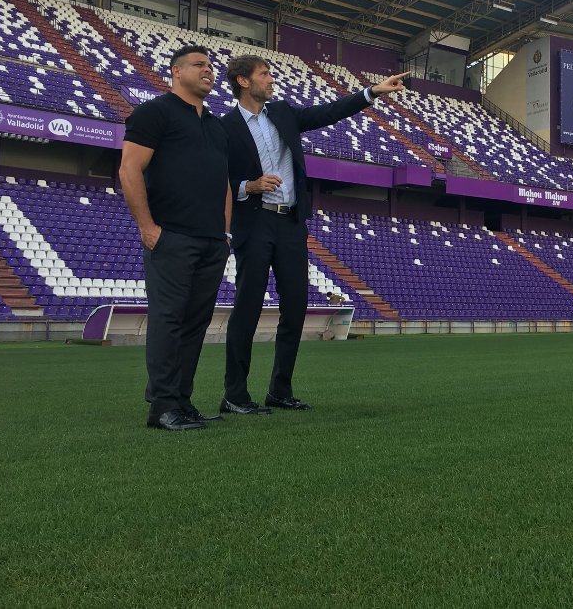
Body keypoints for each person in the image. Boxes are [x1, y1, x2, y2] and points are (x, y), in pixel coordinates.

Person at [220, 55, 408, 415]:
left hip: (291, 223)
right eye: (264, 74)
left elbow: (327, 113)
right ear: (243, 81)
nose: (271, 79)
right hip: (255, 223)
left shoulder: (282, 113)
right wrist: (249, 186)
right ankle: (235, 395)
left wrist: (372, 92)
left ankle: (280, 391)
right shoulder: (224, 126)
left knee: (295, 308)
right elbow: (218, 178)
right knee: (247, 308)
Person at [119, 45, 232, 431]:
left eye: (211, 65)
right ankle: (162, 406)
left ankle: (182, 401)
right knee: (168, 319)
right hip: (171, 236)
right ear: (176, 71)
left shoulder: (216, 126)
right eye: (199, 64)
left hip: (212, 241)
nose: (208, 70)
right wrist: (148, 228)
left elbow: (224, 182)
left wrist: (225, 233)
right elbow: (130, 169)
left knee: (195, 322)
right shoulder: (154, 113)